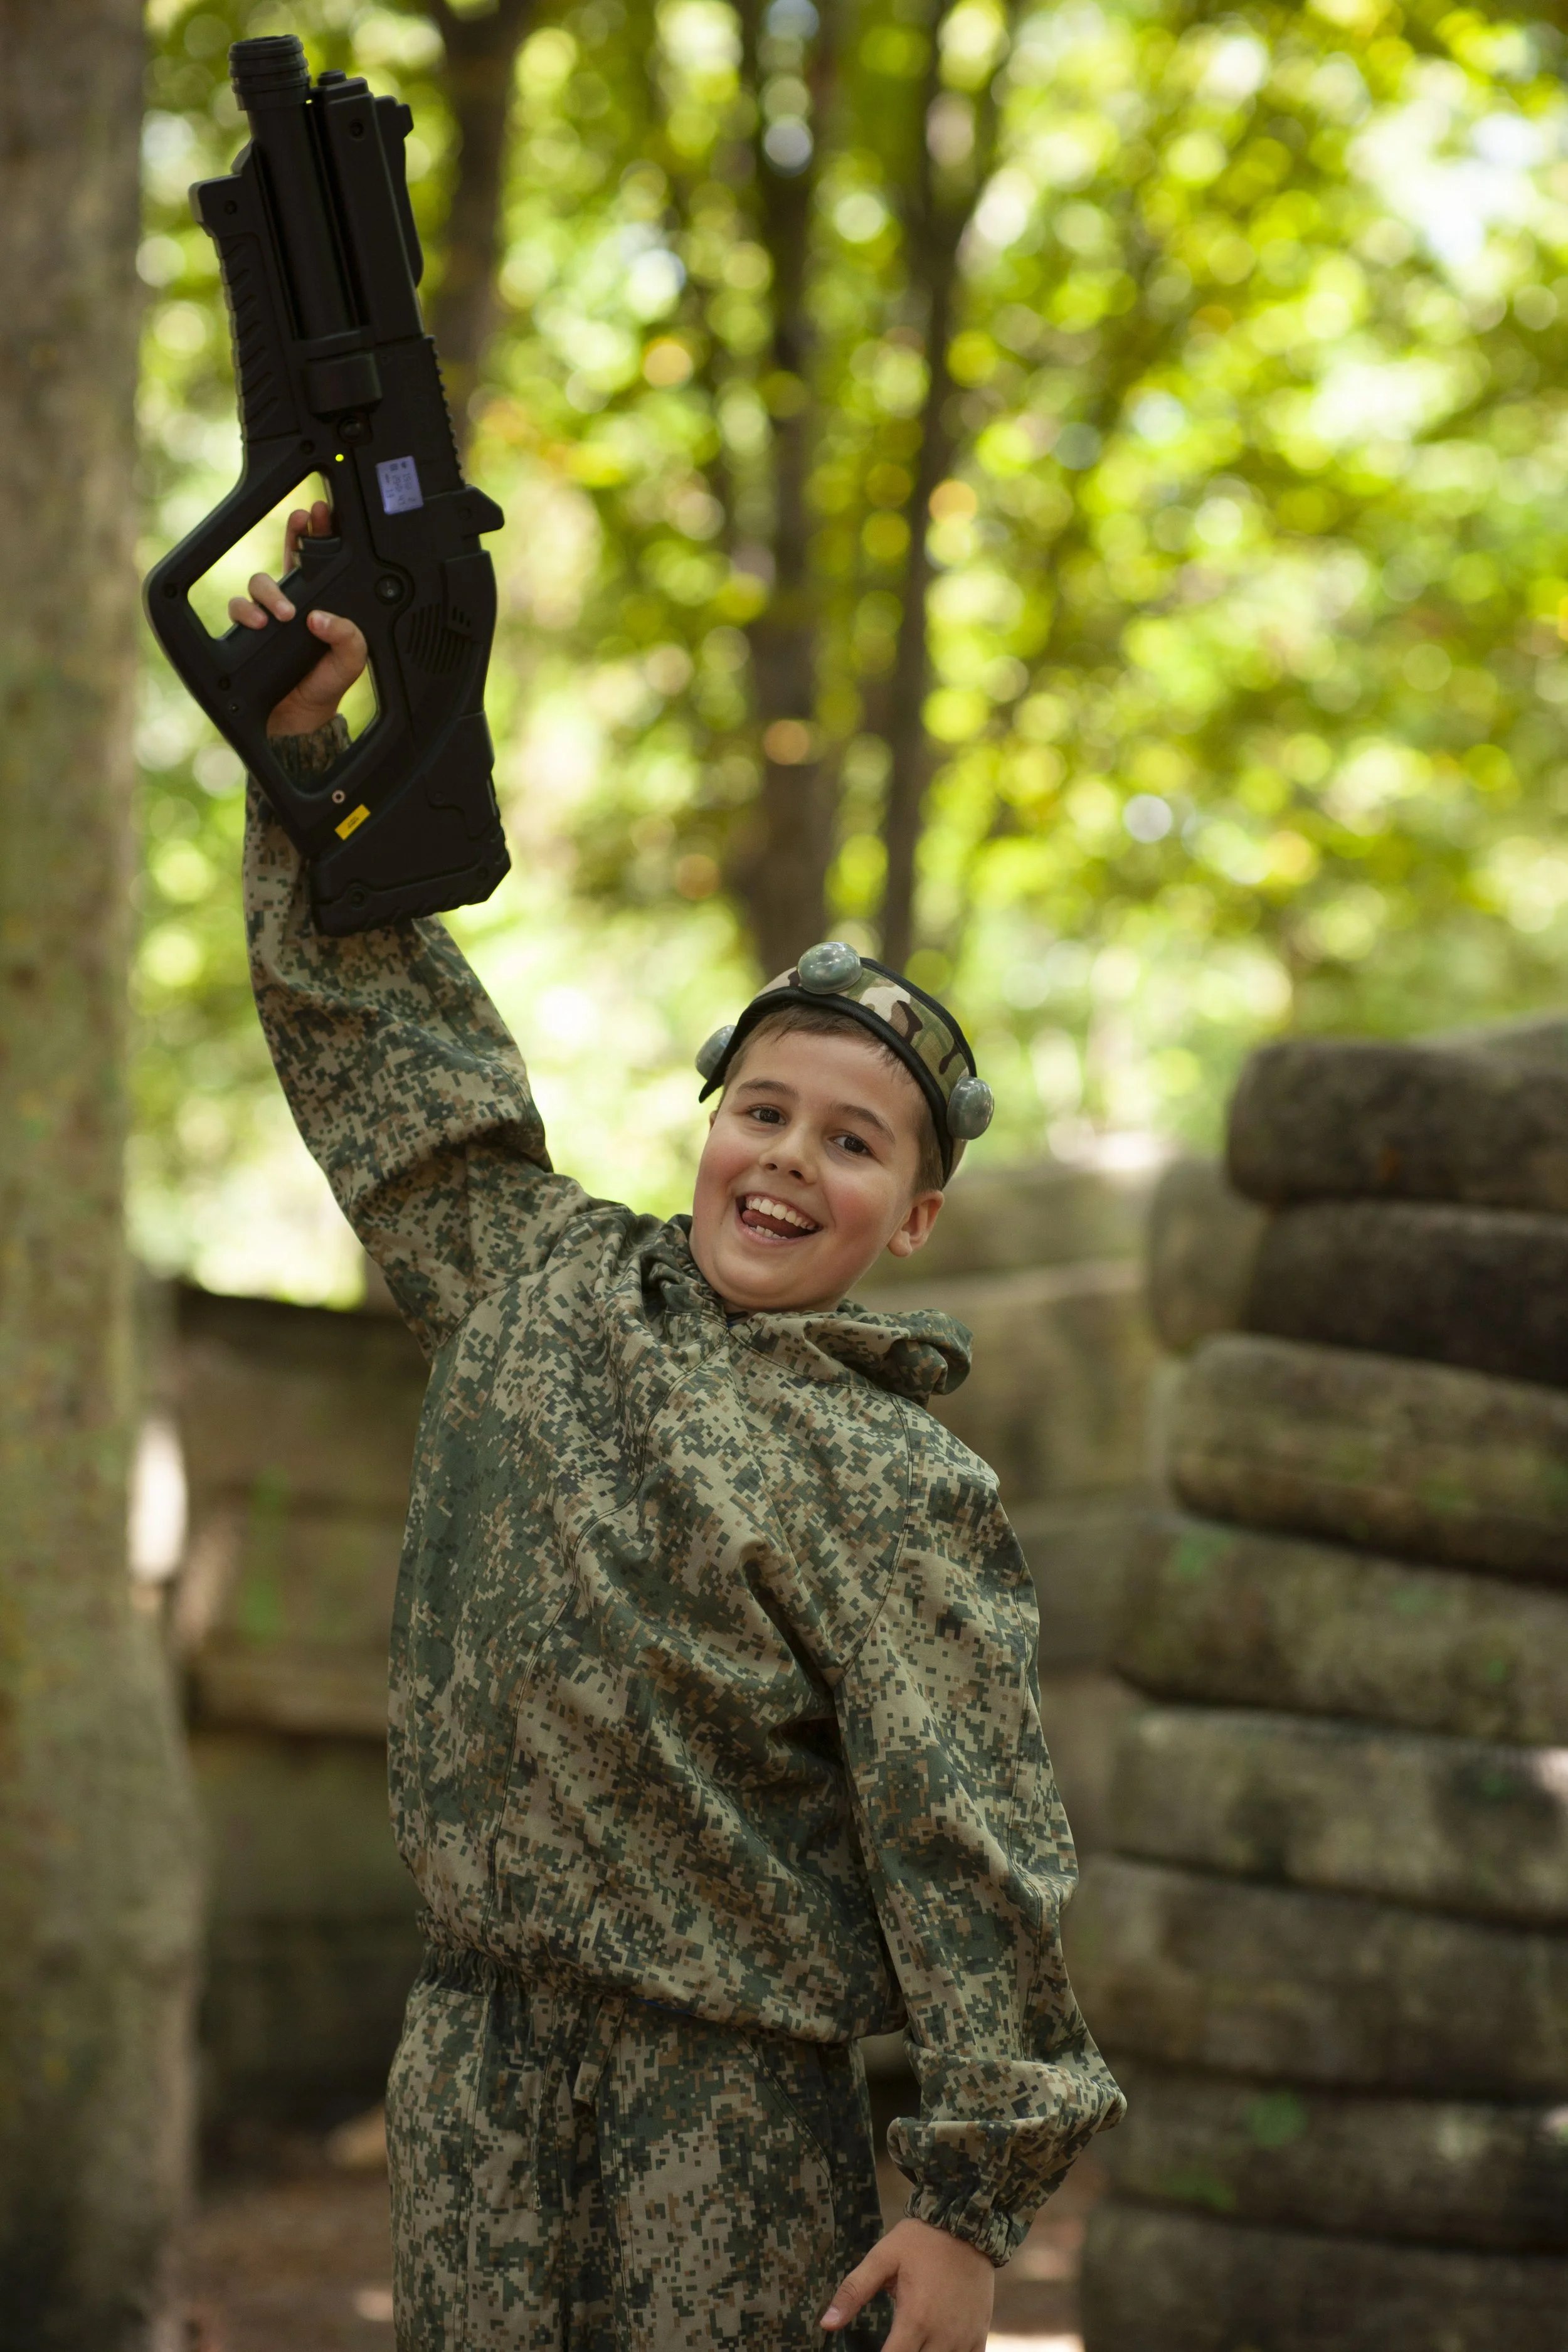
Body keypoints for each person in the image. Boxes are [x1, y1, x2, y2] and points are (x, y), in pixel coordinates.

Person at [230, 509, 1124, 2352]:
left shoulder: (899, 1480)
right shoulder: (532, 1276)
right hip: (471, 2056)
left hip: (723, 2099)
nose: (789, 1157)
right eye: (763, 1108)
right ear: (709, 1117)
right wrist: (313, 746)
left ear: (916, 1216)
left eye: (852, 1140)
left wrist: (966, 2208)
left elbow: (969, 1839)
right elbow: (384, 1038)